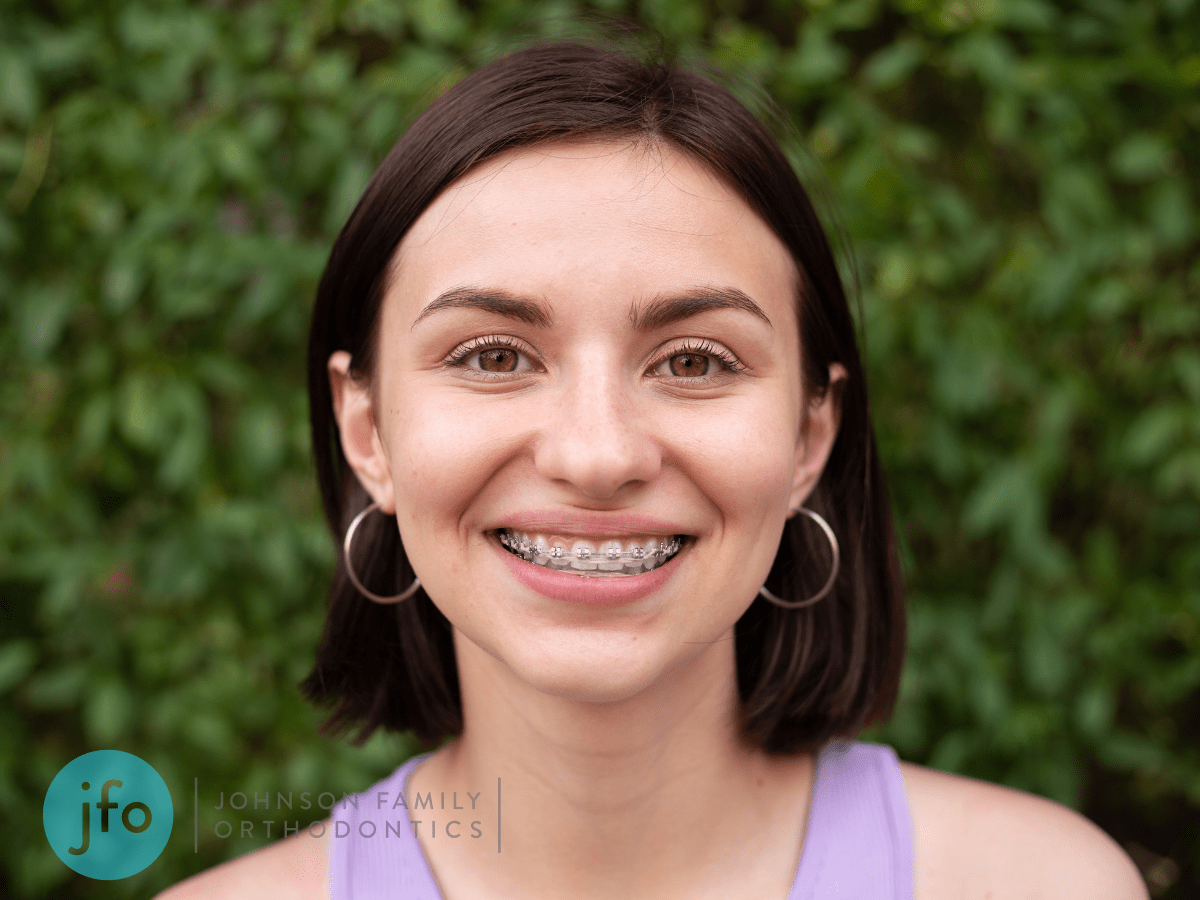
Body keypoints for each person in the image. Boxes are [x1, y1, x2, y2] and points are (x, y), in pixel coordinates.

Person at [160, 40, 1147, 900]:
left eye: (693, 362)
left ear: (812, 437)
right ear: (366, 431)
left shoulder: (1042, 887)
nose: (596, 456)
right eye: (495, 356)